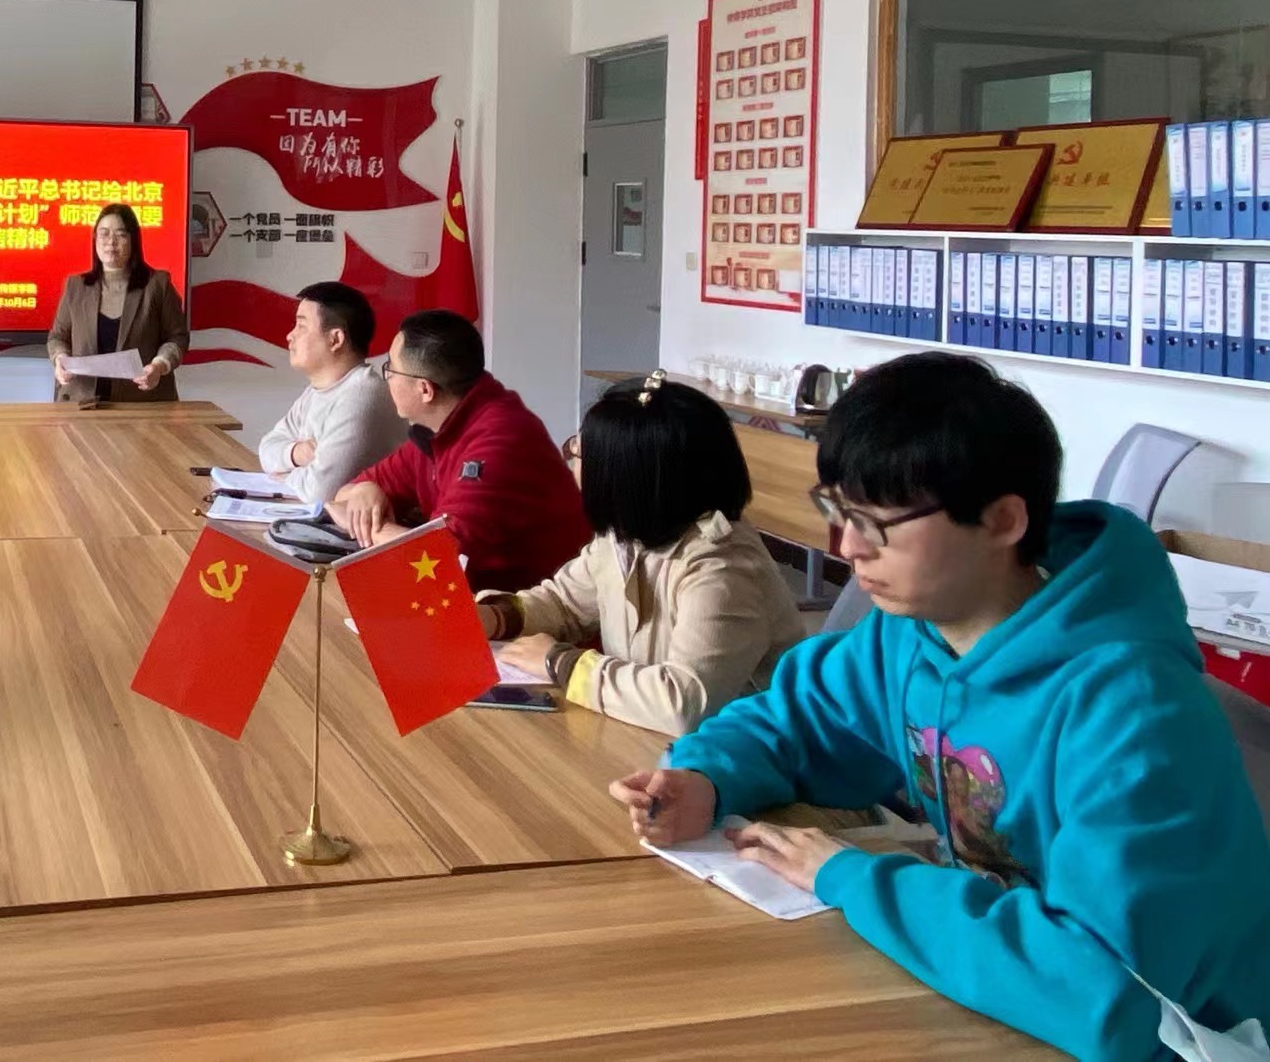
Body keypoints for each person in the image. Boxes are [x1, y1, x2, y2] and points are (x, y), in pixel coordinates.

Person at [609, 352, 1270, 1059]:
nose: (847, 547)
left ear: (1003, 520)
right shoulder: (913, 632)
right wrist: (706, 778)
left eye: (876, 522)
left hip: (1189, 1039)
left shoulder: (1135, 711)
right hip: (1008, 996)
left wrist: (850, 877)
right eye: (837, 510)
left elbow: (1108, 992)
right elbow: (793, 722)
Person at [476, 373, 802, 735]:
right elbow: (565, 604)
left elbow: (683, 704)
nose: (572, 460)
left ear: (626, 475)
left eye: (580, 451)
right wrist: (496, 618)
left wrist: (562, 663)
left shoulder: (722, 567)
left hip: (742, 751)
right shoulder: (626, 535)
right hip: (644, 737)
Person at [327, 309, 591, 593]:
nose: (387, 377)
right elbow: (341, 497)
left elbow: (442, 556)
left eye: (391, 369)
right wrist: (366, 489)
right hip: (476, 599)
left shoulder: (501, 440)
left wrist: (370, 527)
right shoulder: (438, 427)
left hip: (533, 610)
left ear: (425, 390)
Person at [255, 282, 408, 505]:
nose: (290, 335)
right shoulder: (316, 391)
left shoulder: (362, 395)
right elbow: (266, 449)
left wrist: (283, 474)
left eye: (301, 326)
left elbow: (318, 493)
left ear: (335, 339)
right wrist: (295, 453)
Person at [47, 203, 190, 404]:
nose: (111, 242)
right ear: (95, 239)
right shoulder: (76, 286)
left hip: (142, 402)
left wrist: (159, 366)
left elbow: (177, 337)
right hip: (81, 400)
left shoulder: (157, 285)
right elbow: (57, 337)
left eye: (120, 234)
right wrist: (60, 358)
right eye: (104, 233)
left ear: (133, 240)